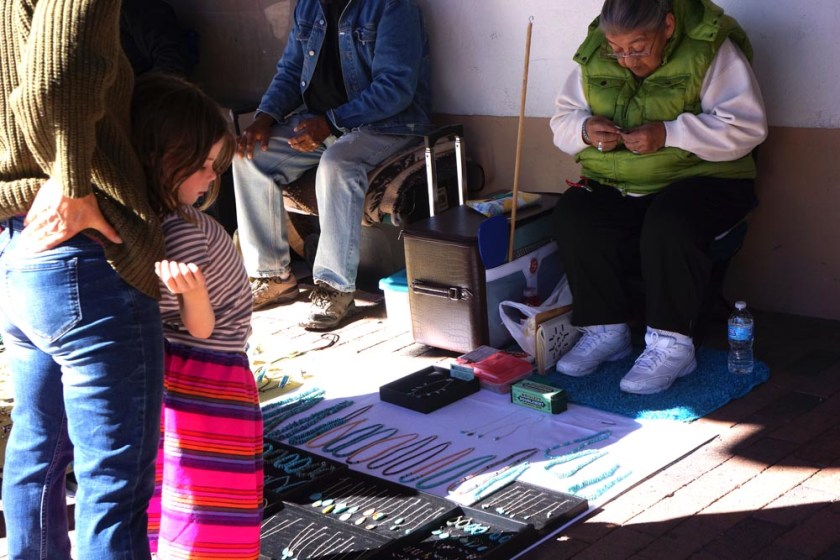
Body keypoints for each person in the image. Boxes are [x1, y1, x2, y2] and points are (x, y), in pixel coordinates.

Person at [0, 1, 166, 558]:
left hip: (18, 244)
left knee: (35, 457)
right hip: (80, 248)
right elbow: (56, 77)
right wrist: (73, 180)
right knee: (111, 487)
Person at [550, 0, 767, 394]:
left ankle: (673, 345)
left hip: (708, 179)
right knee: (576, 213)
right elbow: (562, 120)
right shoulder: (596, 54)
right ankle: (605, 331)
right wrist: (584, 129)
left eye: (637, 47)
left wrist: (670, 134)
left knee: (671, 221)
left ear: (667, 26)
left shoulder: (710, 49)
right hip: (625, 184)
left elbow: (747, 128)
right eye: (616, 49)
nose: (625, 60)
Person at [233, 0, 432, 329]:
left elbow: (396, 88)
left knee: (337, 163)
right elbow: (290, 71)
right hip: (320, 123)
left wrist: (331, 122)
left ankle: (335, 288)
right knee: (250, 156)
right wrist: (264, 118)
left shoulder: (393, 7)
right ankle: (271, 277)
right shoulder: (309, 6)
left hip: (388, 124)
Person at [131, 74, 263, 559]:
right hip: (201, 375)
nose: (212, 177)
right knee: (191, 489)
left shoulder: (183, 231)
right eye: (204, 165)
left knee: (196, 493)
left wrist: (193, 292)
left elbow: (201, 326)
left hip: (206, 372)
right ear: (163, 159)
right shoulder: (169, 224)